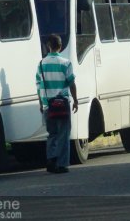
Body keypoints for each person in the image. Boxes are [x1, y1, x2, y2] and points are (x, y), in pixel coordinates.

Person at [36, 34, 78, 174]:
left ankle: (51, 159)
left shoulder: (41, 64)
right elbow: (71, 83)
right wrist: (76, 100)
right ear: (60, 46)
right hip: (62, 104)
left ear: (49, 46)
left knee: (52, 133)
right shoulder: (65, 63)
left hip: (48, 105)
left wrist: (41, 103)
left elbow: (39, 85)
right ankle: (61, 164)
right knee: (63, 133)